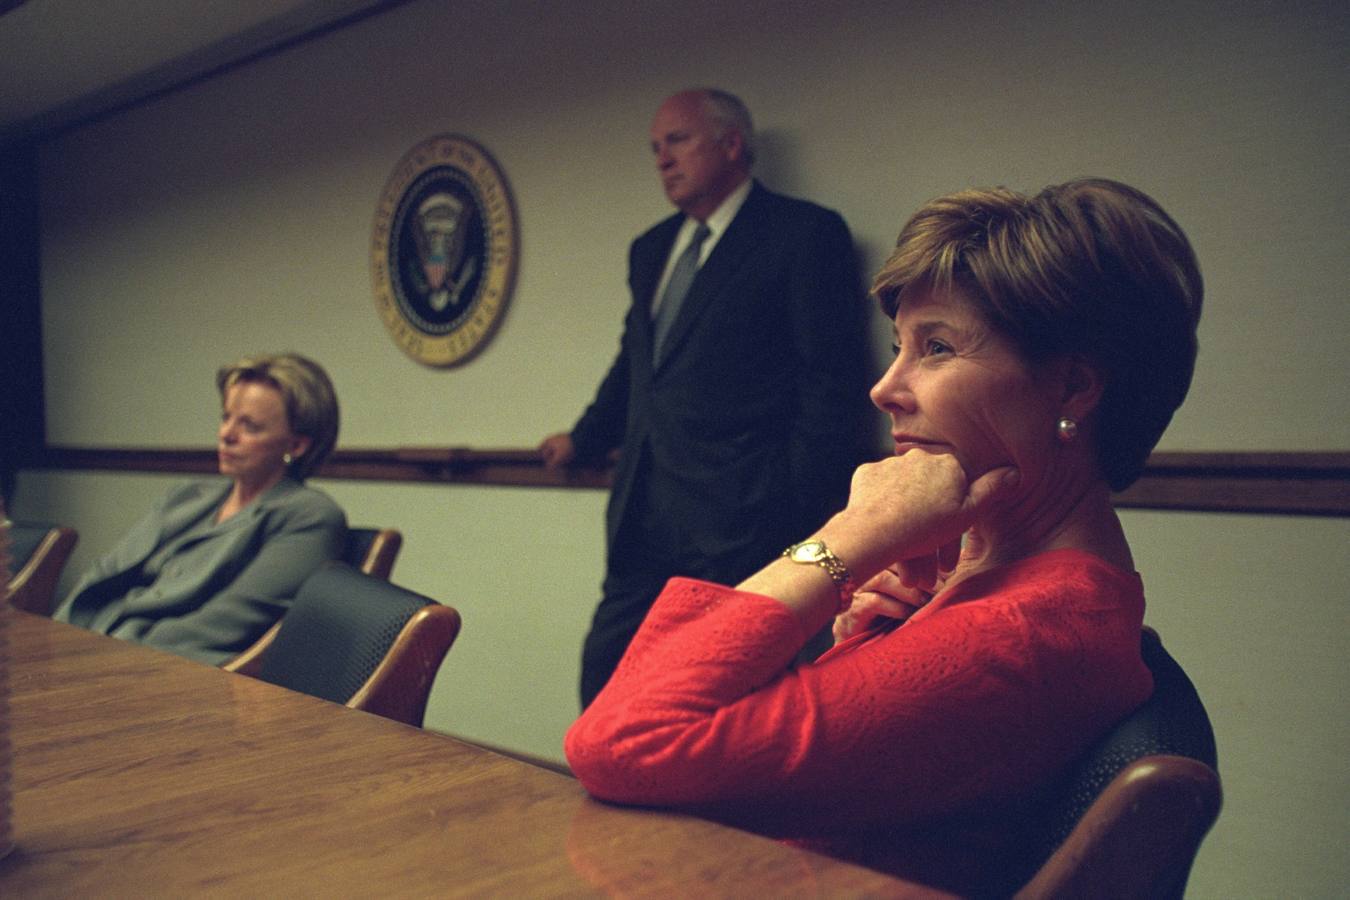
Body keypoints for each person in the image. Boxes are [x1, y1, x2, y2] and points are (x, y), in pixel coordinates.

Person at [566, 178, 1203, 891]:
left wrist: (848, 537)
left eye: (936, 348)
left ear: (1072, 389)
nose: (885, 387)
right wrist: (856, 641)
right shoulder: (978, 581)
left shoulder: (1025, 632)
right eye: (899, 346)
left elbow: (623, 737)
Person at [539, 88, 872, 707]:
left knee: (717, 699)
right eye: (655, 147)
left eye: (678, 140)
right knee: (606, 683)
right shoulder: (651, 248)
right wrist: (584, 438)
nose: (662, 158)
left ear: (732, 143)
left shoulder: (802, 234)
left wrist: (792, 499)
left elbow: (831, 381)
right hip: (644, 506)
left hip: (743, 514)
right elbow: (639, 364)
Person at [54, 352, 346, 666]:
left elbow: (223, 625)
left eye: (249, 426)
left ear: (296, 446)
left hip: (167, 671)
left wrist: (110, 658)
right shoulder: (189, 495)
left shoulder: (309, 515)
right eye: (226, 417)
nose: (226, 435)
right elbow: (103, 575)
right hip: (96, 644)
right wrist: (55, 640)